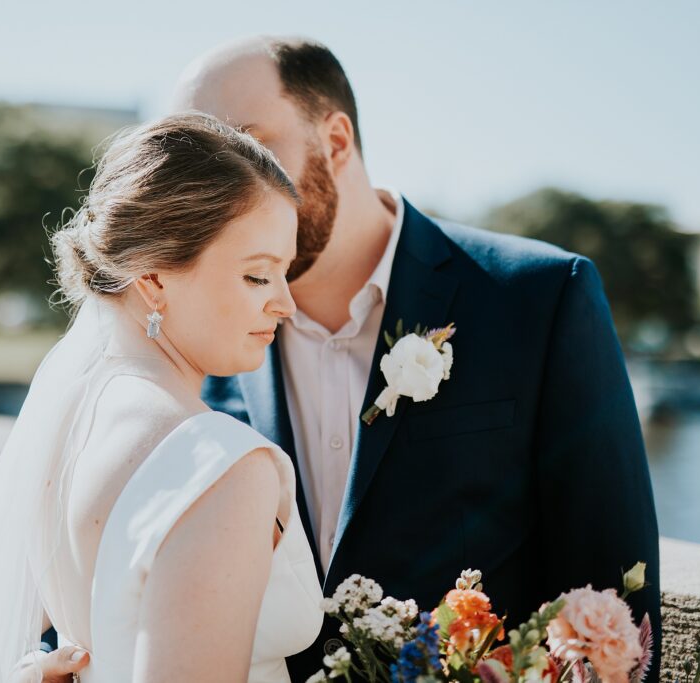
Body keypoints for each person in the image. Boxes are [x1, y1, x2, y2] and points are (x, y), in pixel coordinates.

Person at [35, 36, 661, 683]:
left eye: (247, 144)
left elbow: (613, 605)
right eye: (197, 160)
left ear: (335, 141)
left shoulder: (540, 296)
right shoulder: (195, 338)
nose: (221, 185)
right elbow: (112, 563)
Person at [0, 112, 324, 682]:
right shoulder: (219, 466)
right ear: (152, 278)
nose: (285, 304)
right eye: (257, 276)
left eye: (285, 274)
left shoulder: (70, 417)